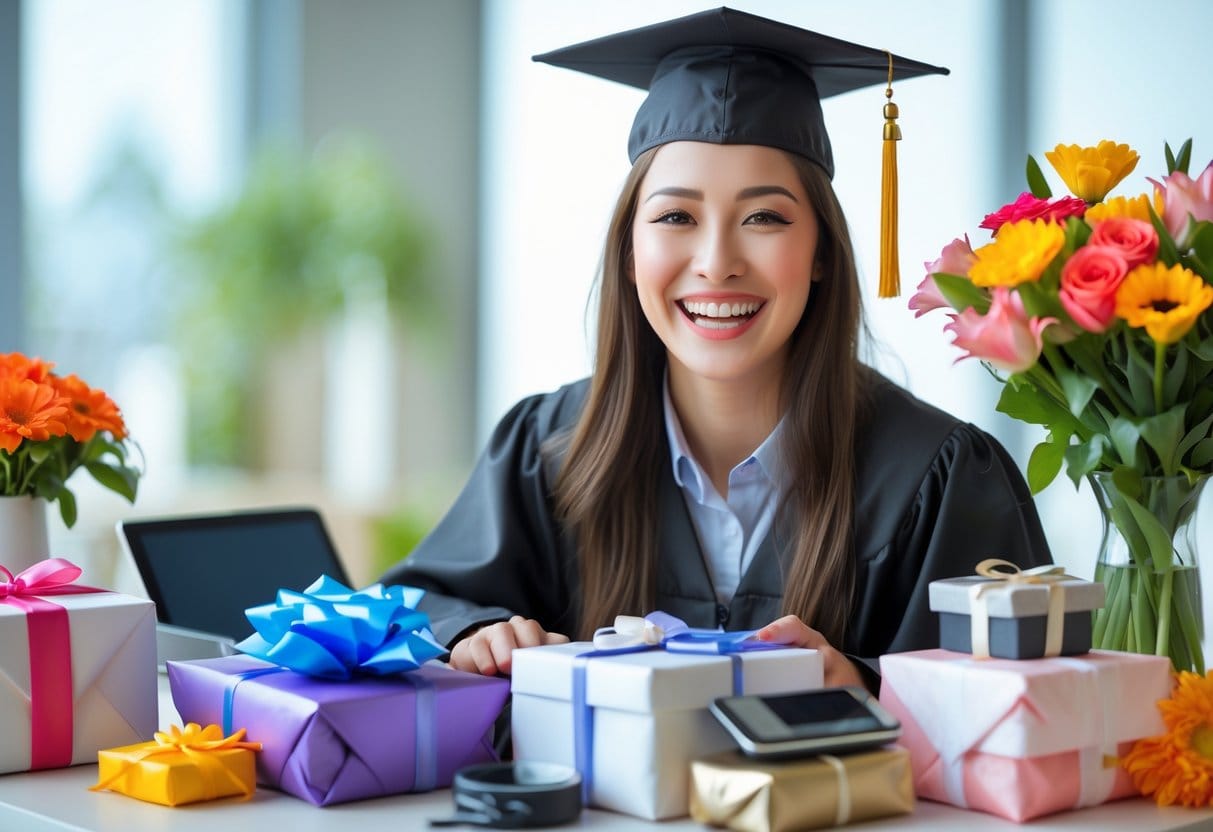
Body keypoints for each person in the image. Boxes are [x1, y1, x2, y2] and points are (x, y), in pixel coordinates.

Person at [381, 7, 1053, 692]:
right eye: (676, 216)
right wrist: (474, 636)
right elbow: (410, 609)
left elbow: (1027, 698)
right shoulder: (549, 451)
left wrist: (868, 687)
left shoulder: (936, 477)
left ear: (821, 252)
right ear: (629, 251)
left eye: (764, 217)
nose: (716, 262)